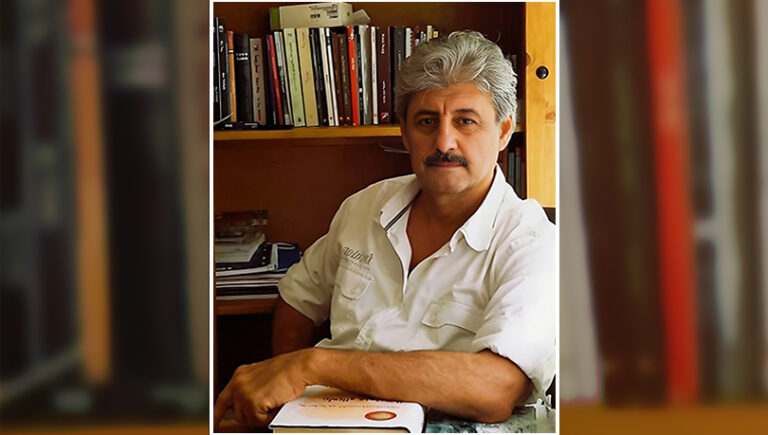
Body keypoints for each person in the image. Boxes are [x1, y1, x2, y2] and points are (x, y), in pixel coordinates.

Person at [213, 31, 555, 429]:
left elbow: (496, 388)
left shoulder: (532, 242)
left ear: (503, 131)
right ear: (404, 133)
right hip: (327, 419)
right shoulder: (365, 206)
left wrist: (310, 365)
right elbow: (298, 299)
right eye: (427, 121)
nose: (444, 141)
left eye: (466, 121)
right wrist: (284, 404)